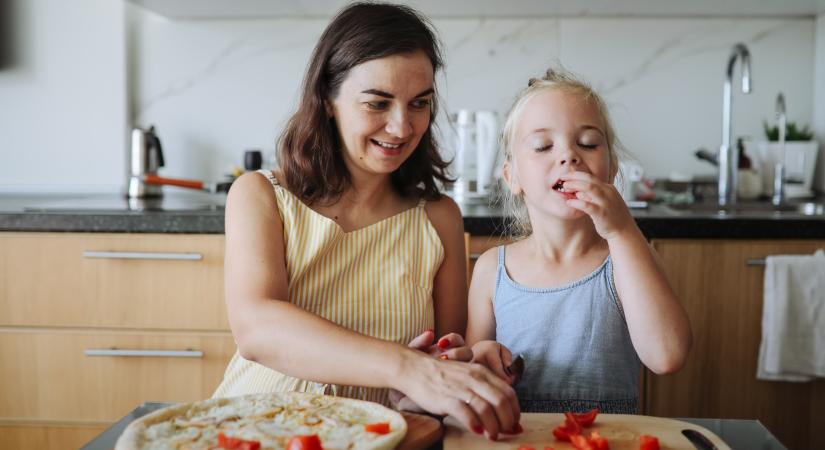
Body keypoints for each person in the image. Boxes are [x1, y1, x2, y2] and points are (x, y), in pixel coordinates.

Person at [213, 1, 520, 439]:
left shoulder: (439, 218)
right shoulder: (261, 195)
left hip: (388, 436)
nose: (401, 127)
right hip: (259, 426)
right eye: (378, 103)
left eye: (419, 104)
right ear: (328, 99)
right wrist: (405, 367)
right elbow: (257, 328)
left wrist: (441, 370)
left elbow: (444, 361)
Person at [467, 68, 692, 413]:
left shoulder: (629, 257)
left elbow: (667, 356)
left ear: (612, 168)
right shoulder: (491, 270)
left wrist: (622, 231)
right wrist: (481, 363)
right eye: (543, 145)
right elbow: (473, 382)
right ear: (512, 177)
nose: (569, 155)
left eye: (587, 143)